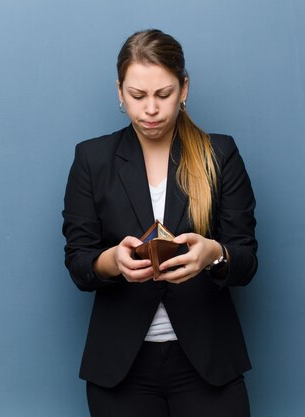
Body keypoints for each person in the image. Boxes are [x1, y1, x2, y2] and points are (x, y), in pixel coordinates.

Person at [62, 29, 257, 417]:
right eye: (137, 96)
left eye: (163, 94)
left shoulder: (220, 154)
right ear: (120, 92)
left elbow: (246, 260)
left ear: (184, 89)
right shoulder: (92, 159)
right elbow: (78, 263)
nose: (150, 109)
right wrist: (112, 261)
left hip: (207, 364)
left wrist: (214, 254)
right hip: (120, 369)